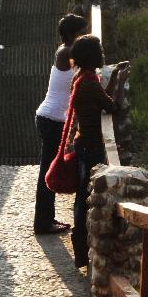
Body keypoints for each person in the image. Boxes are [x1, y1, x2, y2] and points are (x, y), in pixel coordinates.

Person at [68, 34, 129, 268]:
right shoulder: (89, 81)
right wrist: (121, 81)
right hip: (91, 146)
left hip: (83, 142)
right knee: (86, 197)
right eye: (100, 50)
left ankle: (80, 248)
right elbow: (112, 106)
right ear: (92, 55)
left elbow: (103, 98)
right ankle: (82, 248)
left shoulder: (82, 76)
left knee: (82, 194)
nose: (103, 53)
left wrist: (112, 76)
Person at [33, 14, 87, 235]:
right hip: (52, 119)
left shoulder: (64, 50)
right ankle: (43, 223)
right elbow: (88, 64)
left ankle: (46, 219)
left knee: (49, 169)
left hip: (51, 117)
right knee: (48, 171)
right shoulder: (68, 52)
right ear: (75, 33)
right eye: (83, 32)